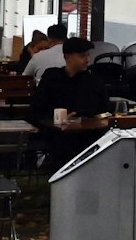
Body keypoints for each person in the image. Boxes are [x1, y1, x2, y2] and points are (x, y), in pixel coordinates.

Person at [31, 37, 109, 167]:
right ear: (67, 57)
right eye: (82, 55)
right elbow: (37, 109)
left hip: (89, 135)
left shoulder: (95, 82)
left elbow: (105, 111)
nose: (87, 60)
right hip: (58, 136)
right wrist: (57, 119)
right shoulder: (52, 78)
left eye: (88, 55)